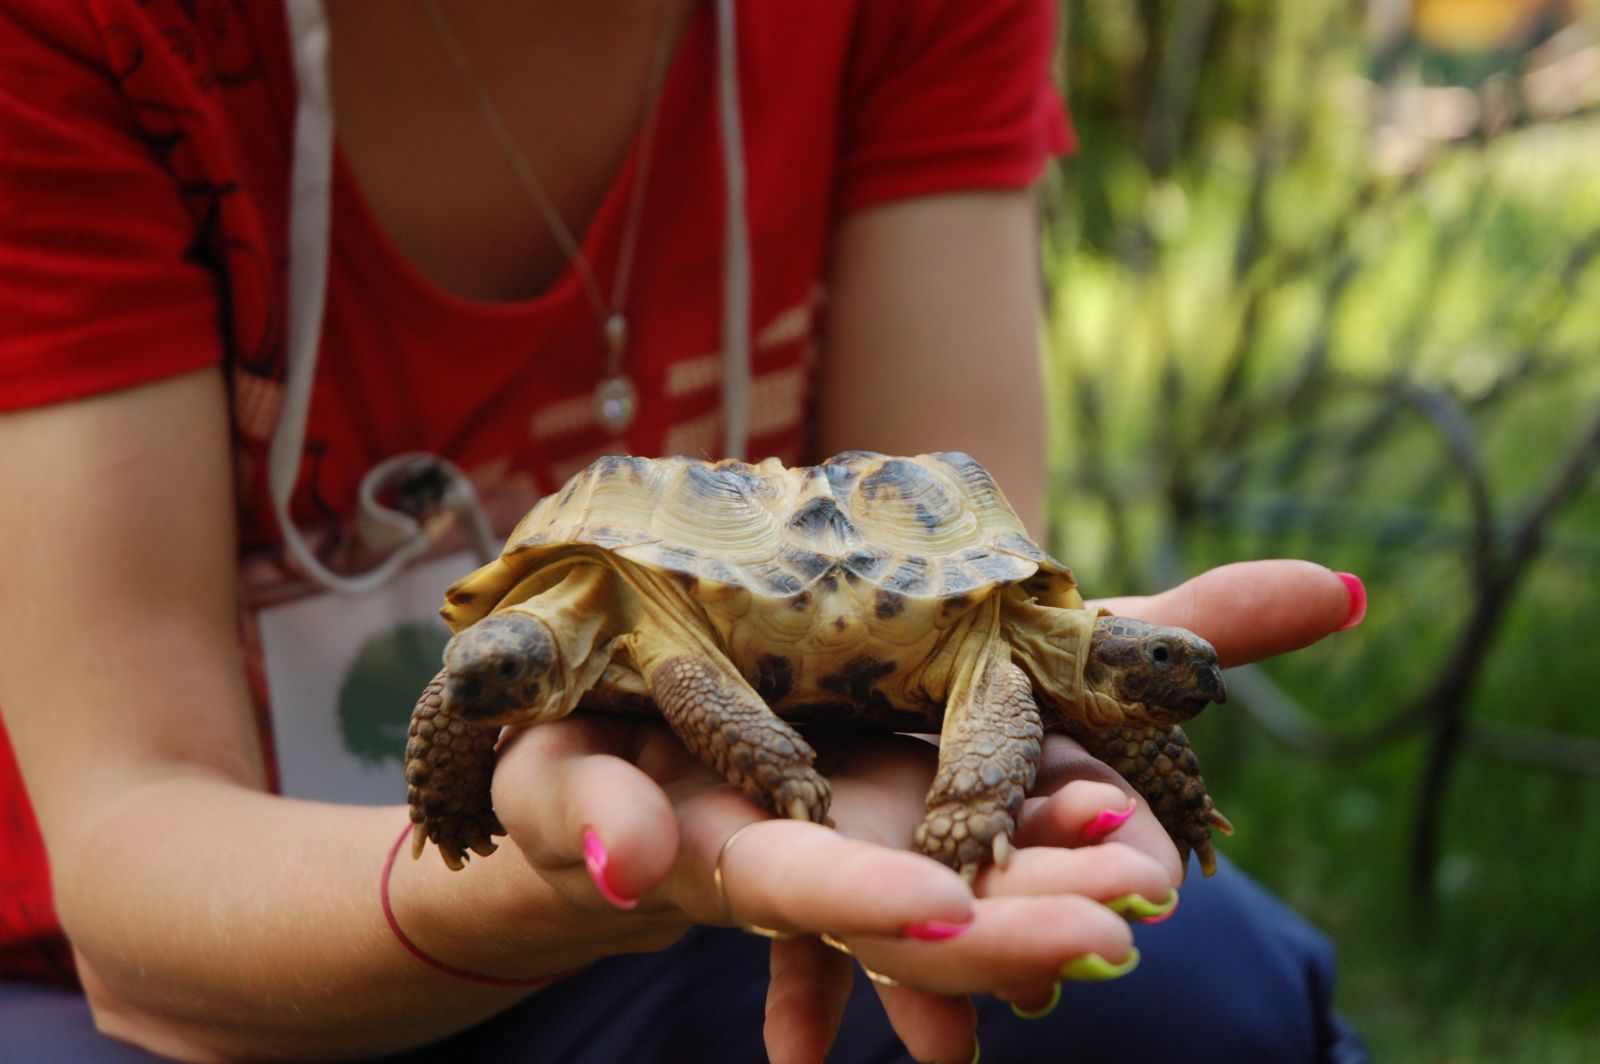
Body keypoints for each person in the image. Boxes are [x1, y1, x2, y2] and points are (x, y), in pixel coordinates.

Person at [0, 1, 1370, 1061]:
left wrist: (972, 785)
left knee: (1180, 985)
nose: (484, 680)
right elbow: (129, 851)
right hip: (105, 971)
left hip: (703, 851)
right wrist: (501, 876)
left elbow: (971, 617)